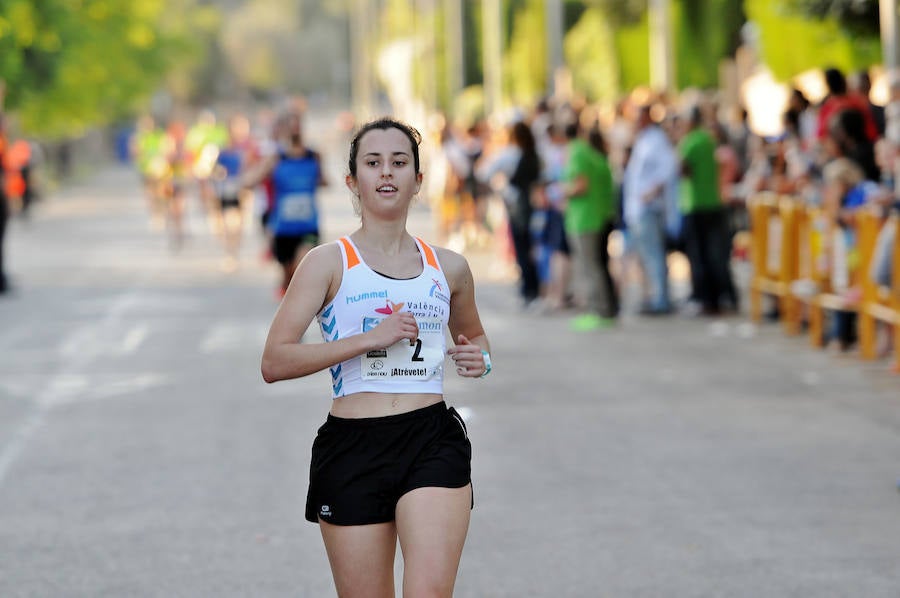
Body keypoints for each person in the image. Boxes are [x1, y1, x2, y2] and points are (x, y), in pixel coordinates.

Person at [261, 117, 490, 597]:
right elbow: (275, 361)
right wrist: (367, 339)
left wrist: (478, 360)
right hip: (352, 447)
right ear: (353, 181)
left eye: (399, 162)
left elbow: (477, 341)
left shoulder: (448, 267)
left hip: (431, 439)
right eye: (373, 163)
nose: (387, 172)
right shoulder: (327, 262)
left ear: (417, 181)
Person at [243, 109, 326, 298]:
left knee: (302, 264)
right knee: (288, 271)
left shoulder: (313, 156)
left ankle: (297, 303)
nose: (295, 130)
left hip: (308, 224)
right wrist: (251, 179)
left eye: (298, 125)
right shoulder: (276, 158)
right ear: (283, 131)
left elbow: (323, 179)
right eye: (291, 126)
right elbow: (251, 180)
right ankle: (286, 289)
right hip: (283, 226)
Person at [561, 121, 619, 329]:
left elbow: (581, 185)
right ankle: (602, 309)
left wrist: (561, 191)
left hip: (583, 218)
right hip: (591, 216)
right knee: (594, 265)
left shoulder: (577, 153)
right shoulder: (587, 152)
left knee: (589, 266)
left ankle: (597, 310)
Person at [622, 103, 679, 315]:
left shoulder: (655, 140)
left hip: (647, 208)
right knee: (644, 256)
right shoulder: (643, 140)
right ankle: (653, 296)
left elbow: (668, 168)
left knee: (654, 254)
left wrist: (652, 191)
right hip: (638, 208)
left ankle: (661, 299)